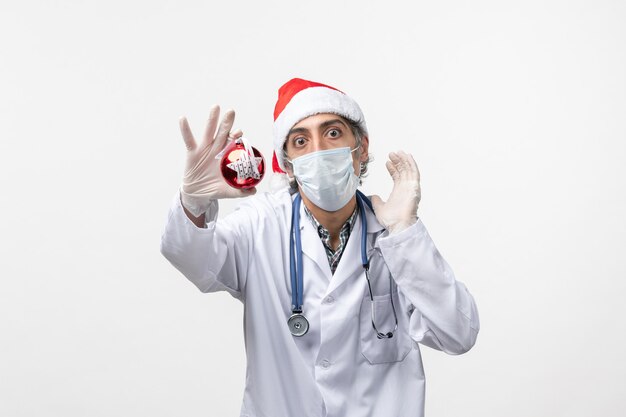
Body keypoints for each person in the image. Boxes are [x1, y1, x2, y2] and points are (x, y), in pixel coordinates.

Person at [160, 78, 480, 417]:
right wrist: (193, 202)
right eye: (301, 141)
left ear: (361, 147)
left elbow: (458, 333)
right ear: (288, 163)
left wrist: (405, 231)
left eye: (332, 133)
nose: (319, 151)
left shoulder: (394, 239)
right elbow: (192, 258)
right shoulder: (261, 225)